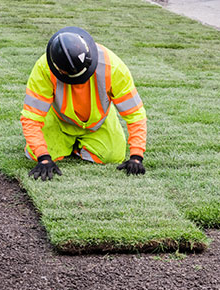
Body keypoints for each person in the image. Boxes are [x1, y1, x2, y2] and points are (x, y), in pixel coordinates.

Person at [21, 26, 147, 180]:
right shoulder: (43, 68)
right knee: (34, 153)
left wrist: (136, 155)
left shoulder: (113, 67)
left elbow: (135, 114)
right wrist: (43, 157)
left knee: (112, 156)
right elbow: (31, 118)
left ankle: (76, 146)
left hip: (98, 123)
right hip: (59, 122)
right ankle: (71, 144)